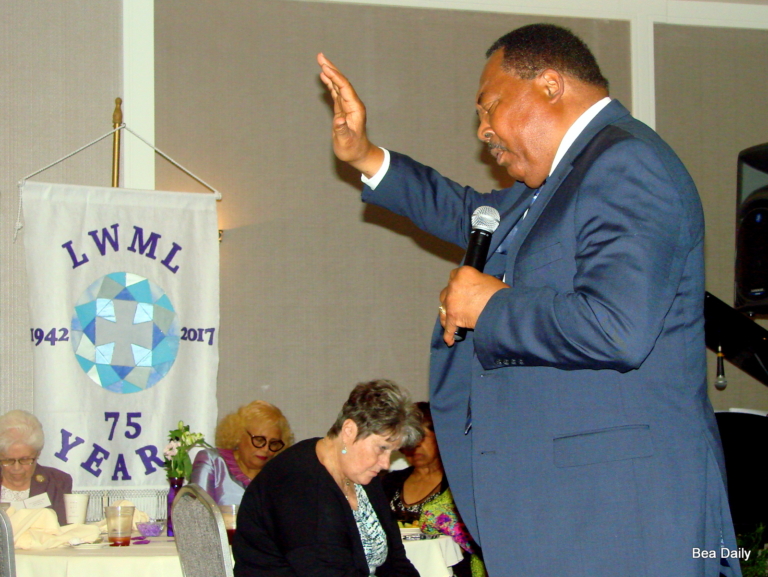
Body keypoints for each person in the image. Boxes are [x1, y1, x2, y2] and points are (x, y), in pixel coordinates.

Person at [318, 23, 741, 577]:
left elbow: (617, 325)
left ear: (549, 84)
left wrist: (489, 305)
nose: (483, 130)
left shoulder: (626, 162)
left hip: (621, 517)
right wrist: (365, 155)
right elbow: (464, 210)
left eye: (489, 107)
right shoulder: (551, 187)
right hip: (565, 511)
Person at [233, 380, 423, 577]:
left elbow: (396, 561)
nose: (385, 463)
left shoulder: (363, 475)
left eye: (391, 452)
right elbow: (325, 570)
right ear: (349, 431)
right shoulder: (296, 481)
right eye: (382, 448)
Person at [382, 402, 480, 577]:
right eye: (407, 438)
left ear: (440, 436)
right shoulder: (388, 483)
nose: (414, 445)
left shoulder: (460, 484)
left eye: (420, 436)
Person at [190, 400, 293, 505]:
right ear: (239, 435)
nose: (266, 449)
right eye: (259, 440)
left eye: (274, 443)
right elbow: (198, 511)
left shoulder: (280, 478)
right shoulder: (213, 462)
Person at [0, 410, 72, 525]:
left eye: (25, 460)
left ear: (37, 454)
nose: (17, 468)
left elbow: (64, 528)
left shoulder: (57, 482)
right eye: (8, 460)